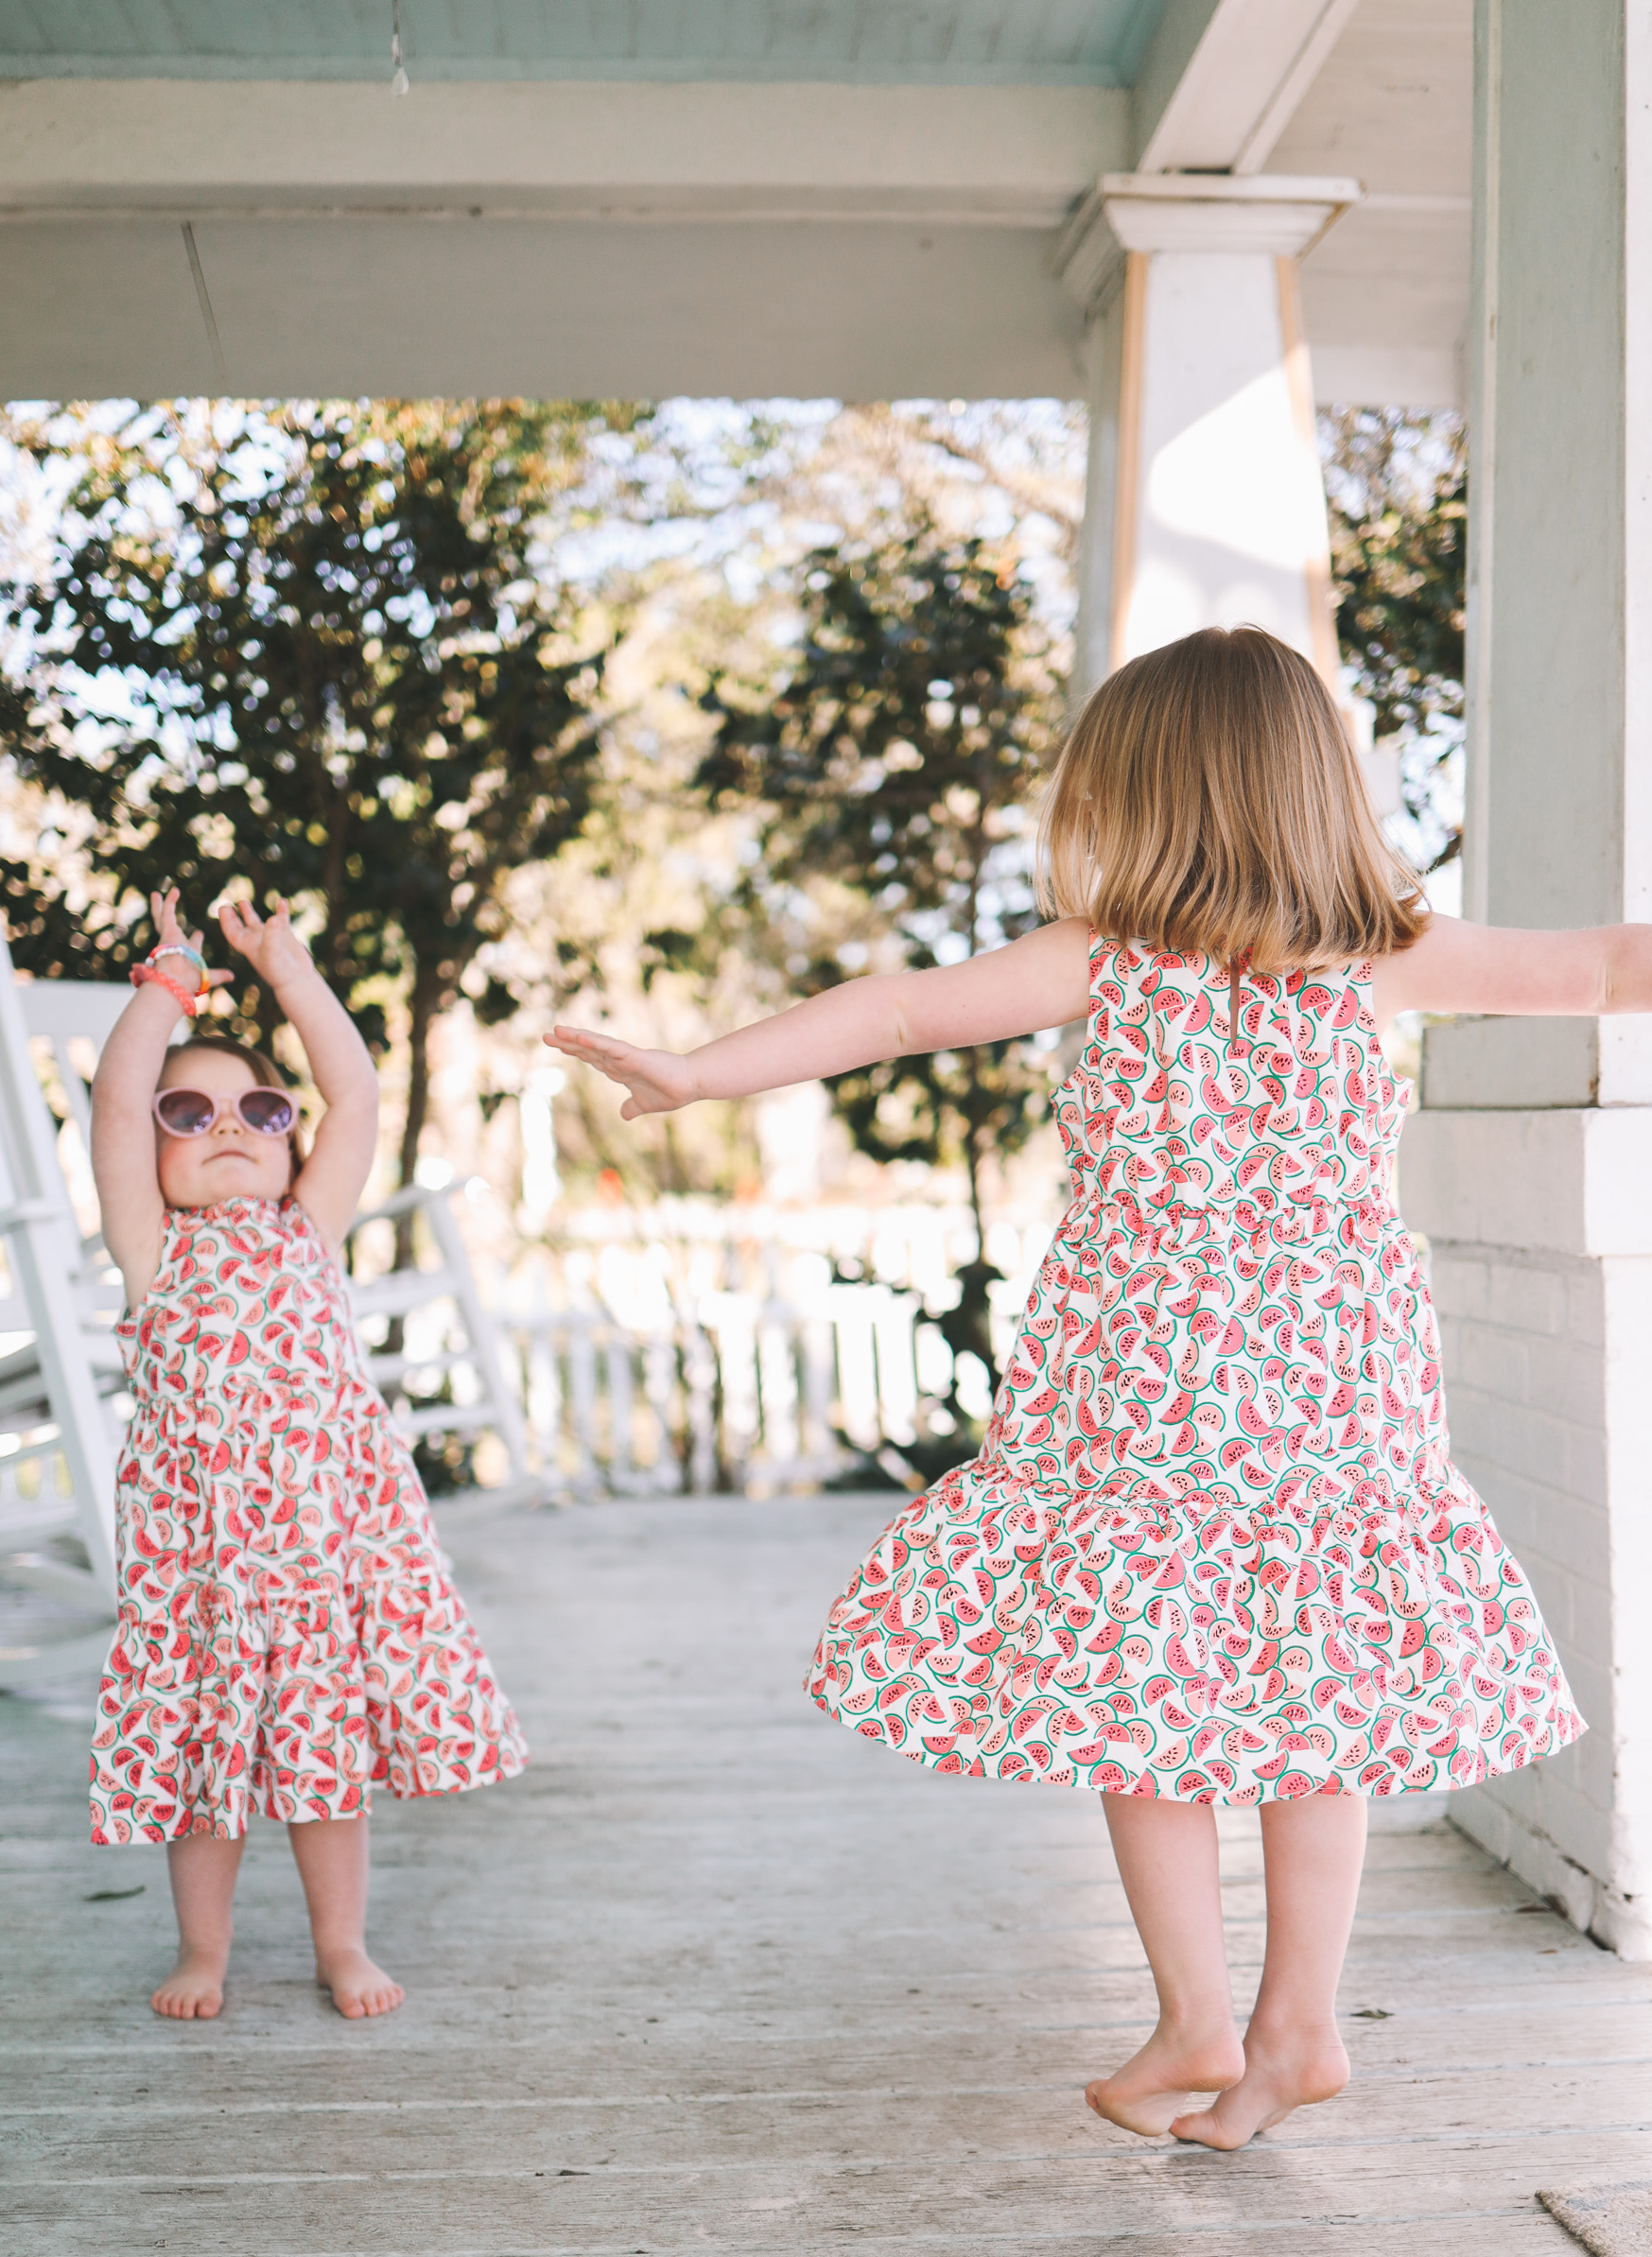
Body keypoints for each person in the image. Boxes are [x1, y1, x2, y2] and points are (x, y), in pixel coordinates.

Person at [548, 624, 1597, 2149]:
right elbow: (1604, 966)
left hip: (1150, 1396)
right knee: (1323, 1699)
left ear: (1141, 795)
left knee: (1139, 1692)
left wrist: (706, 1070)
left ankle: (1225, 2019)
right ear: (1312, 788)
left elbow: (898, 1010)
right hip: (1319, 1394)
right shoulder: (1376, 957)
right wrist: (704, 1075)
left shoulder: (1108, 960)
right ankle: (1272, 2024)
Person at [89, 890, 525, 2021]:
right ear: (152, 1149)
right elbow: (116, 1094)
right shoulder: (155, 1248)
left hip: (324, 1558)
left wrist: (290, 974)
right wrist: (172, 980)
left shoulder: (305, 1230)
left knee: (327, 1762)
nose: (227, 1125)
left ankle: (342, 1943)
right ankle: (204, 1952)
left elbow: (362, 1091)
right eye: (190, 1112)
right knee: (203, 1772)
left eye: (257, 1108)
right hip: (203, 1568)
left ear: (291, 1140)